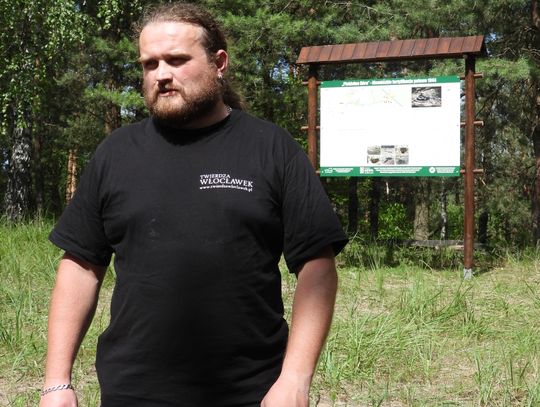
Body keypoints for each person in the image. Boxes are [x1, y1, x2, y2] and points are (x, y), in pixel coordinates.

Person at [40, 3, 347, 407]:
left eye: (177, 60)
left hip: (251, 392)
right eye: (149, 64)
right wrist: (56, 383)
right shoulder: (117, 153)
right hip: (132, 391)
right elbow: (80, 266)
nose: (161, 74)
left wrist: (294, 380)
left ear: (219, 63)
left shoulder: (270, 148)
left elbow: (317, 265)